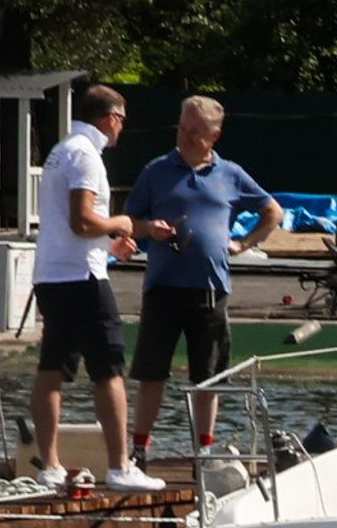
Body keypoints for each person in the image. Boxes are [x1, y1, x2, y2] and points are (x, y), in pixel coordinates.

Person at [125, 95, 284, 466]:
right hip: (163, 287)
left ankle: (204, 451)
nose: (184, 136)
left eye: (194, 131)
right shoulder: (156, 170)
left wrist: (244, 243)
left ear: (214, 135)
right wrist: (150, 228)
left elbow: (273, 211)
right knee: (151, 372)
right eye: (181, 127)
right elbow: (128, 221)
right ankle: (139, 447)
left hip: (210, 289)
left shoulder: (230, 174)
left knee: (208, 376)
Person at [29, 84, 154, 493]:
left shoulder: (61, 150)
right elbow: (82, 221)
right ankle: (120, 467)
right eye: (121, 121)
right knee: (109, 369)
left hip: (52, 275)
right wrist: (121, 224)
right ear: (111, 118)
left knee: (52, 369)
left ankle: (49, 466)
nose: (120, 129)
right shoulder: (86, 154)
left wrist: (108, 246)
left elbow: (77, 229)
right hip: (82, 280)